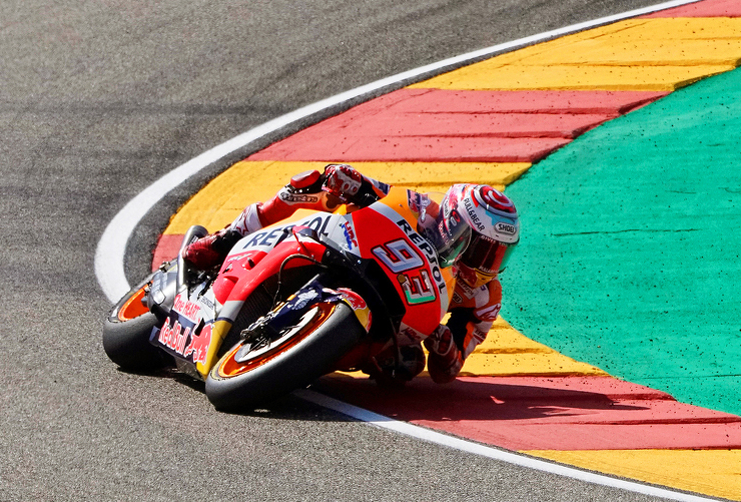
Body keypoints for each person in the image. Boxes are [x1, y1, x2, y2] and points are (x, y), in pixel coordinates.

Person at [182, 164, 520, 385]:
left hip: (395, 316)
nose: (486, 264)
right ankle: (226, 238)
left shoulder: (486, 296)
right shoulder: (423, 209)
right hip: (354, 254)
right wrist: (350, 181)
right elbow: (377, 192)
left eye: (498, 254)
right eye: (482, 249)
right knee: (310, 183)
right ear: (454, 225)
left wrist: (445, 347)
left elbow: (449, 369)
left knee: (406, 365)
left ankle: (302, 351)